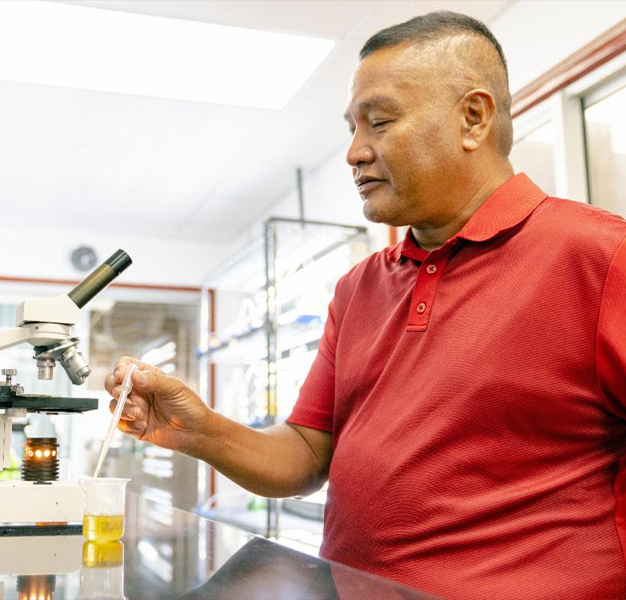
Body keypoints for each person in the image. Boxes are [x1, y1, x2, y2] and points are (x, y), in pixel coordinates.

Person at [105, 11, 626, 600]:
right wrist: (199, 432)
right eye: (352, 128)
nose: (355, 152)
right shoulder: (359, 288)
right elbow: (306, 454)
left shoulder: (602, 258)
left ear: (473, 119)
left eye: (379, 122)